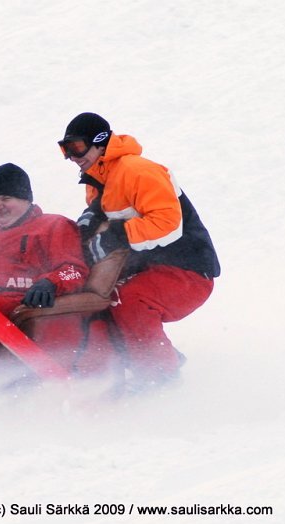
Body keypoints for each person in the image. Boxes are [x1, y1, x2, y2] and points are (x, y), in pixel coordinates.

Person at [57, 112, 220, 388]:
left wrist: (116, 237)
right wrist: (88, 223)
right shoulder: (99, 181)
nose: (72, 156)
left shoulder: (137, 170)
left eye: (76, 147)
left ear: (99, 142)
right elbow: (107, 215)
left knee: (128, 300)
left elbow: (167, 223)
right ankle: (127, 369)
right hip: (150, 268)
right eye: (65, 150)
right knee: (97, 301)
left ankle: (162, 378)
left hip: (187, 270)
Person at [0, 163, 89, 371]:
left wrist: (50, 282)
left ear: (26, 199)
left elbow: (75, 270)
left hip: (23, 302)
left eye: (6, 199)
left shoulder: (53, 226)